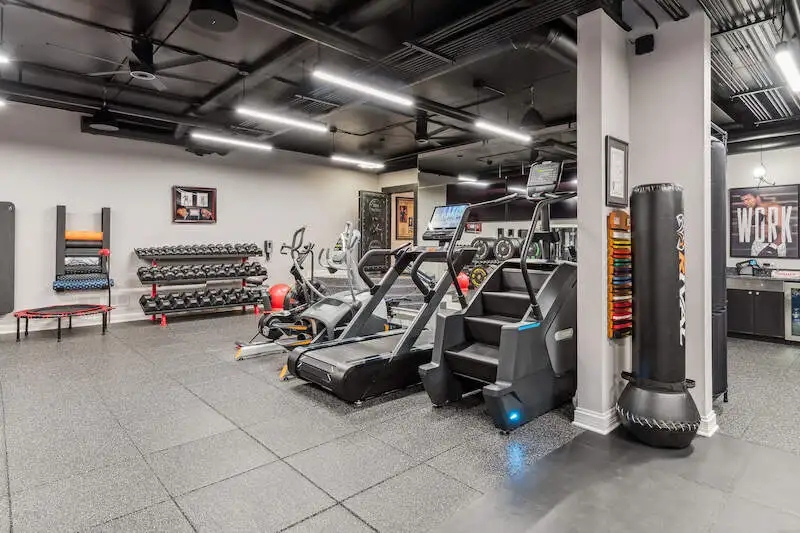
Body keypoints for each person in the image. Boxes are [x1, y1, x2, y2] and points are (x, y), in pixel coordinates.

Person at [741, 191, 787, 257]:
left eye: (748, 199)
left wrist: (772, 247)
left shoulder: (774, 208)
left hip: (775, 245)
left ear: (757, 198)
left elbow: (784, 231)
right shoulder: (750, 211)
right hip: (758, 244)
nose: (745, 203)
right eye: (743, 200)